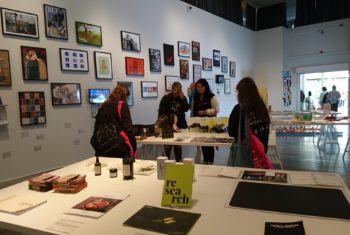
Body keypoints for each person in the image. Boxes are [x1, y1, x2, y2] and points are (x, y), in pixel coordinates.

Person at [228, 77, 270, 154]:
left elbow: (231, 132)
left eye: (238, 92)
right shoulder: (262, 107)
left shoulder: (238, 109)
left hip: (245, 154)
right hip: (261, 152)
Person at [92, 85, 137, 158]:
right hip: (119, 147)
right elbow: (128, 130)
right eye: (127, 97)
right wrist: (133, 148)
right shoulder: (122, 105)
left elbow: (96, 129)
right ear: (124, 96)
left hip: (102, 148)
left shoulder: (103, 106)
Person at [158, 82, 189, 162]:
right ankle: (166, 163)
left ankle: (178, 163)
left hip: (180, 126)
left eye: (180, 89)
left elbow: (186, 108)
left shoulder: (182, 98)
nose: (179, 91)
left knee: (178, 146)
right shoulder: (166, 98)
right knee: (167, 147)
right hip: (168, 126)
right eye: (177, 90)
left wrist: (182, 99)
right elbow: (161, 113)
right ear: (172, 89)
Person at [191, 78, 220, 164]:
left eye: (201, 86)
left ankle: (210, 162)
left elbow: (217, 110)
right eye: (198, 87)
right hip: (199, 125)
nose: (199, 88)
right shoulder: (196, 97)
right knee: (203, 144)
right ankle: (205, 161)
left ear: (205, 87)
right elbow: (193, 111)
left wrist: (205, 112)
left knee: (209, 145)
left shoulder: (212, 96)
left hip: (210, 125)